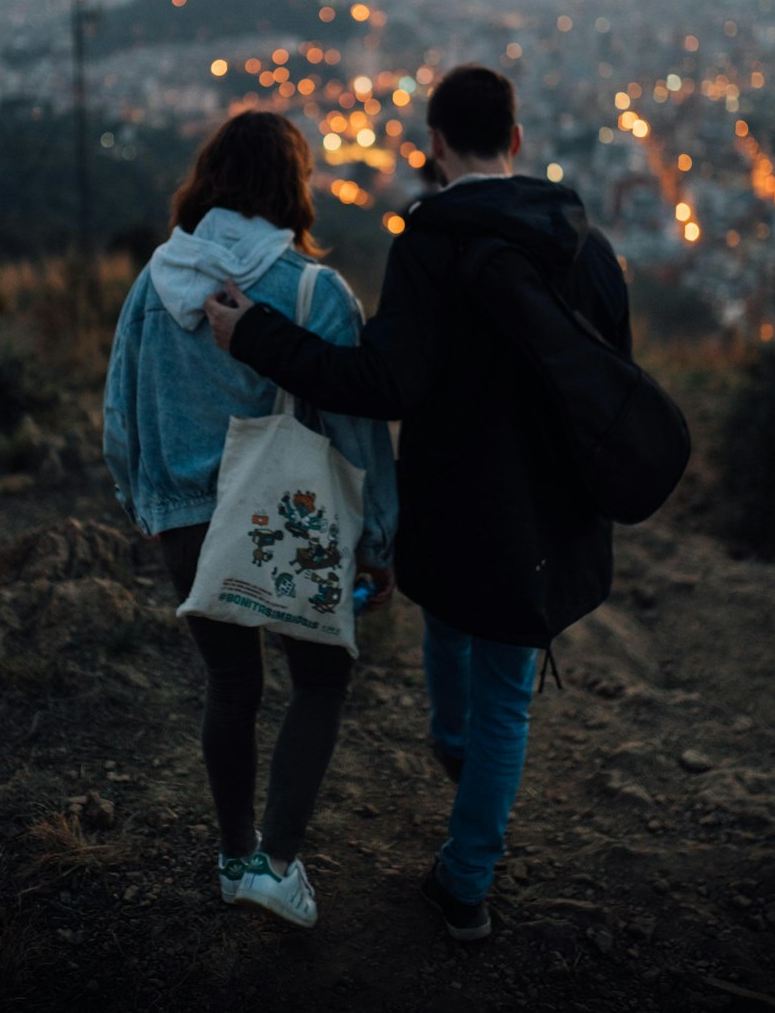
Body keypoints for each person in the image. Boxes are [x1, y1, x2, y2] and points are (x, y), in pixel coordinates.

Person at [205, 65, 631, 941]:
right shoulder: (585, 246)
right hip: (548, 517)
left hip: (454, 506)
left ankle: (463, 806)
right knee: (507, 694)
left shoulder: (430, 241)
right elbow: (610, 381)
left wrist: (254, 332)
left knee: (458, 658)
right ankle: (464, 880)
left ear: (434, 146)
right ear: (516, 140)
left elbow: (383, 381)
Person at [103, 111, 398, 929]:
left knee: (231, 683)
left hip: (184, 520)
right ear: (292, 187)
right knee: (322, 679)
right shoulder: (313, 291)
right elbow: (356, 427)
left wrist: (149, 504)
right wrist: (378, 538)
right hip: (288, 514)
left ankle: (235, 858)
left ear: (210, 179)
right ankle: (277, 862)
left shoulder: (157, 280)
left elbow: (118, 412)